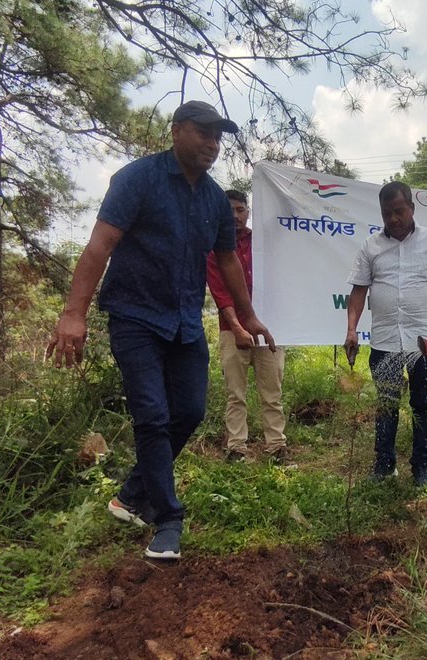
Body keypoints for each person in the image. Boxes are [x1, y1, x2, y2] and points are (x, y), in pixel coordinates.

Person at [46, 101, 274, 560]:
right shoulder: (137, 179)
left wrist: (247, 316)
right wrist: (74, 313)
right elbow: (101, 245)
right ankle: (168, 518)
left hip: (185, 321)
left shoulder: (212, 198)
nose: (212, 144)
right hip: (134, 316)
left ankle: (131, 494)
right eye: (203, 133)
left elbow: (227, 260)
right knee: (151, 415)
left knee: (188, 412)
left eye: (218, 137)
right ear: (176, 131)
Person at [344, 181, 427, 487]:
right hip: (384, 341)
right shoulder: (371, 246)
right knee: (386, 404)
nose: (393, 219)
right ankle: (384, 466)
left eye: (399, 211)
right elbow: (358, 291)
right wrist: (351, 330)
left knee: (423, 404)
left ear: (412, 207)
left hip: (424, 341)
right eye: (387, 213)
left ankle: (422, 469)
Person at [206, 189, 288, 464]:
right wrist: (237, 327)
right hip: (232, 330)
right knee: (235, 394)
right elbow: (220, 291)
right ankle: (236, 448)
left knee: (272, 393)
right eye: (229, 210)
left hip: (269, 329)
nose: (234, 216)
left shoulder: (263, 243)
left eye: (240, 210)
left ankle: (276, 447)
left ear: (248, 212)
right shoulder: (214, 246)